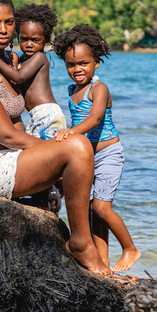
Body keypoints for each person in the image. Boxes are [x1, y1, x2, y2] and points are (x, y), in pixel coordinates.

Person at [0, 0, 111, 275]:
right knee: (76, 146)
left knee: (79, 157)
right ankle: (81, 244)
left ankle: (87, 241)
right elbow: (6, 135)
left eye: (8, 22)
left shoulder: (11, 60)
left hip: (12, 157)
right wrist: (54, 147)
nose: (3, 30)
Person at [52, 24, 141, 272]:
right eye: (71, 65)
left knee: (102, 207)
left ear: (96, 63)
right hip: (88, 156)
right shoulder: (72, 90)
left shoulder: (98, 89)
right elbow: (80, 123)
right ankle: (103, 261)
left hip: (109, 154)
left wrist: (70, 133)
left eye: (83, 63)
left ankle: (131, 248)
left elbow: (95, 119)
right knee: (92, 210)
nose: (77, 69)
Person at [0, 3, 66, 211]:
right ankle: (42, 195)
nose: (29, 44)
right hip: (37, 115)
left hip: (47, 114)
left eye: (35, 40)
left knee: (45, 157)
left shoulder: (39, 58)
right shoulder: (22, 58)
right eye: (24, 39)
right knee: (38, 157)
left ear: (45, 42)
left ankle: (46, 196)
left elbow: (19, 76)